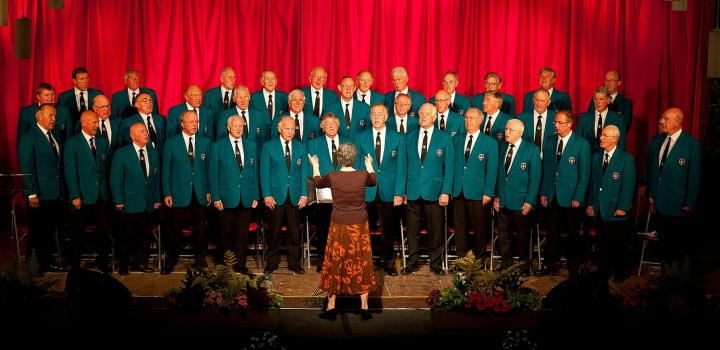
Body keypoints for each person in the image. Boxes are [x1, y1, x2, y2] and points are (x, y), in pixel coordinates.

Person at [310, 143, 377, 321]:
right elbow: (373, 179)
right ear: (354, 158)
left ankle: (331, 307)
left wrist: (315, 165)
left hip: (339, 224)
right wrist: (369, 162)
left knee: (335, 261)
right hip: (359, 225)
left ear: (339, 158)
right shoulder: (363, 175)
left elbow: (317, 182)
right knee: (361, 260)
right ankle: (364, 307)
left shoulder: (332, 176)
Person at [642, 108, 701, 266]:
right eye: (662, 118)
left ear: (678, 122)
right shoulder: (658, 140)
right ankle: (665, 274)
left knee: (676, 245)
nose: (661, 121)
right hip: (659, 203)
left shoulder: (691, 144)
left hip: (678, 204)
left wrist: (690, 202)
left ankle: (676, 278)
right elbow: (654, 169)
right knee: (663, 243)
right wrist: (652, 193)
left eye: (666, 119)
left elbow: (694, 176)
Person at [402, 103, 454, 276]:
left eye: (426, 114)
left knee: (436, 230)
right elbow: (404, 166)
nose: (422, 116)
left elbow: (450, 168)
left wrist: (446, 191)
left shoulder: (445, 138)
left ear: (434, 117)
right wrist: (402, 191)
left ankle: (436, 263)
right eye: (420, 114)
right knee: (412, 230)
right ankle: (412, 262)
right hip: (413, 191)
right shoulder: (408, 137)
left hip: (435, 191)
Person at [356, 104, 406, 276]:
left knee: (388, 229)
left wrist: (399, 192)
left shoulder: (397, 138)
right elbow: (356, 166)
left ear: (386, 117)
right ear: (370, 117)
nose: (376, 117)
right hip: (366, 190)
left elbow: (401, 168)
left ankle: (388, 262)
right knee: (363, 229)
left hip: (389, 191)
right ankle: (364, 261)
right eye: (373, 114)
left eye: (380, 114)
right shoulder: (360, 137)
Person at [539, 110, 591, 277]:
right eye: (555, 122)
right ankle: (550, 263)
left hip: (571, 197)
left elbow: (584, 174)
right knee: (551, 232)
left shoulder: (581, 144)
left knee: (573, 233)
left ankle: (573, 264)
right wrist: (544, 191)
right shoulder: (549, 141)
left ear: (570, 124)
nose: (556, 125)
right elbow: (547, 169)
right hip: (552, 194)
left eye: (560, 123)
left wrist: (578, 196)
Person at [161, 111, 211, 274]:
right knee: (174, 230)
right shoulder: (171, 143)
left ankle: (201, 260)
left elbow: (208, 169)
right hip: (178, 194)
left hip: (199, 193)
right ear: (182, 124)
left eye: (196, 121)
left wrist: (209, 190)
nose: (195, 124)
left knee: (201, 230)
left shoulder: (205, 142)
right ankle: (171, 261)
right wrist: (167, 193)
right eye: (191, 122)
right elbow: (166, 170)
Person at [18, 104, 66, 273]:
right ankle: (33, 265)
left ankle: (47, 261)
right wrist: (31, 193)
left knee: (47, 231)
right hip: (38, 194)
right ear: (39, 117)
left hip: (53, 193)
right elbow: (26, 167)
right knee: (36, 231)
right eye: (50, 116)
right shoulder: (29, 137)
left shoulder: (53, 136)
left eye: (55, 116)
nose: (54, 119)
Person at [210, 116, 260, 274]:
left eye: (241, 125)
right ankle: (226, 267)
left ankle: (240, 265)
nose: (239, 128)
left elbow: (254, 172)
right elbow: (213, 174)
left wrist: (255, 195)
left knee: (242, 235)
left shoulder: (251, 145)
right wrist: (216, 197)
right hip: (225, 198)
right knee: (225, 234)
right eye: (235, 125)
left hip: (245, 197)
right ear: (228, 127)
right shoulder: (218, 146)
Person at [64, 110, 112, 273]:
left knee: (103, 231)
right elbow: (70, 171)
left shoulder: (102, 141)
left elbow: (106, 168)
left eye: (97, 122)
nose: (97, 125)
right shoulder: (72, 143)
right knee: (77, 232)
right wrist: (75, 195)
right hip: (82, 197)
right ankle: (75, 264)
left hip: (101, 195)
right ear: (84, 123)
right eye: (94, 122)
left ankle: (103, 261)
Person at [586, 125, 635, 283]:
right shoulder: (596, 157)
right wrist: (590, 204)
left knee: (617, 244)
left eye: (605, 135)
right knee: (601, 244)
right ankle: (603, 271)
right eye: (601, 134)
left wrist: (622, 207)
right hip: (600, 208)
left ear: (615, 139)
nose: (601, 138)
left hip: (616, 209)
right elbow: (593, 184)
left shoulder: (626, 158)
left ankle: (620, 272)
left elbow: (628, 185)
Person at [110, 123, 161, 275]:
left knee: (144, 236)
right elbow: (116, 179)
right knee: (126, 236)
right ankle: (123, 265)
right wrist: (118, 200)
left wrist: (157, 197)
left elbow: (156, 178)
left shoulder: (152, 153)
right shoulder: (121, 153)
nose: (146, 133)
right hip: (129, 203)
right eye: (141, 131)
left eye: (146, 130)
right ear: (132, 136)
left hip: (148, 203)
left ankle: (141, 263)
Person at [260, 116, 310, 274]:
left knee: (294, 233)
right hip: (275, 196)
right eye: (287, 129)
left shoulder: (300, 147)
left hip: (295, 196)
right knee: (273, 232)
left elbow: (304, 173)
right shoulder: (269, 146)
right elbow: (264, 172)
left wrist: (304, 194)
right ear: (279, 129)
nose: (290, 132)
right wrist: (267, 194)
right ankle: (272, 262)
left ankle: (294, 263)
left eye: (293, 129)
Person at [493, 119, 541, 276]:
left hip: (521, 201)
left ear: (520, 132)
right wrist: (497, 196)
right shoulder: (502, 147)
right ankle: (506, 262)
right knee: (503, 234)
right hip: (503, 200)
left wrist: (529, 201)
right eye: (506, 129)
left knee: (523, 236)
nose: (506, 132)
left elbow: (535, 178)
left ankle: (524, 265)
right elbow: (500, 176)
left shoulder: (531, 150)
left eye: (510, 130)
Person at [452, 108, 498, 262]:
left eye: (471, 118)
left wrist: (488, 192)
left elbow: (492, 170)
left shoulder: (490, 142)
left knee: (479, 228)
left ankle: (478, 260)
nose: (467, 121)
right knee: (460, 228)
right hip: (458, 191)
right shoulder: (457, 139)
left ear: (480, 120)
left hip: (479, 192)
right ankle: (462, 259)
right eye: (466, 118)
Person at [306, 113, 349, 272]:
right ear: (322, 127)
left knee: (343, 229)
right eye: (327, 123)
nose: (331, 125)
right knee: (323, 229)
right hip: (322, 195)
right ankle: (323, 260)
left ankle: (343, 260)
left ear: (338, 125)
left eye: (333, 123)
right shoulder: (313, 144)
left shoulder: (348, 143)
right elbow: (309, 170)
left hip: (343, 194)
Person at [576, 87, 626, 153]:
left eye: (601, 99)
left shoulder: (618, 119)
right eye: (595, 99)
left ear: (608, 101)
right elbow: (578, 141)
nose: (597, 102)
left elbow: (621, 144)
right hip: (588, 158)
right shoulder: (583, 118)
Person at [518, 89, 555, 158]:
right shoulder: (521, 118)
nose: (539, 104)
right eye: (537, 100)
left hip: (549, 159)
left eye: (542, 101)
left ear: (548, 102)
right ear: (533, 100)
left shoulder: (556, 118)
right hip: (527, 158)